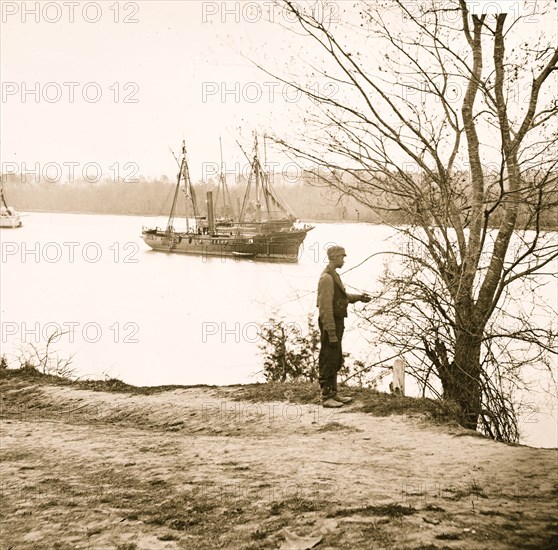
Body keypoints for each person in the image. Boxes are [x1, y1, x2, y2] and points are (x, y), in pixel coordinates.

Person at [317, 245, 371, 407]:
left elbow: (342, 297)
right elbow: (325, 308)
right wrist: (331, 332)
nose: (344, 260)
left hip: (337, 322)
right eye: (342, 257)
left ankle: (333, 393)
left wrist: (359, 298)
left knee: (335, 357)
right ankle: (326, 397)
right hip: (330, 323)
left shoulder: (334, 276)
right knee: (328, 357)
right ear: (334, 258)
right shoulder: (327, 278)